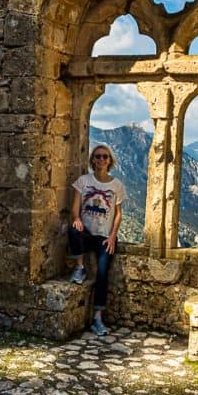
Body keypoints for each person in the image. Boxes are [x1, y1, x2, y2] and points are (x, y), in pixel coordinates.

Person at [67, 143, 126, 337]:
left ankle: (97, 319)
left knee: (102, 274)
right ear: (93, 160)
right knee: (73, 230)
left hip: (104, 238)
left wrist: (112, 237)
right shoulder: (83, 181)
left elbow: (118, 214)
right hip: (86, 232)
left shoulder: (116, 185)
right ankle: (80, 267)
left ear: (110, 161)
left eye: (105, 157)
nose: (101, 160)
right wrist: (76, 219)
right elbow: (75, 207)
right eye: (98, 156)